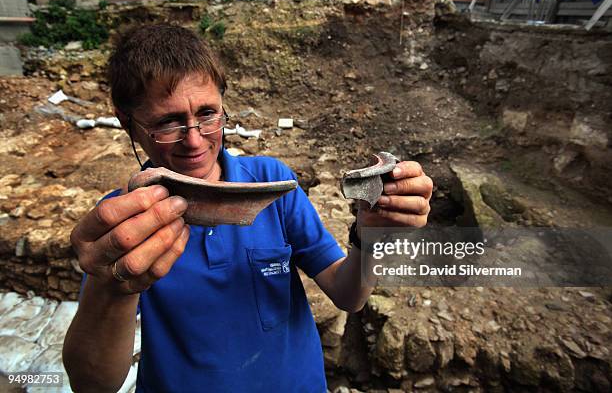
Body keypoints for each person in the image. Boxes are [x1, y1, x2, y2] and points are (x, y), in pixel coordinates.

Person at [63, 24, 433, 392]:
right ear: (127, 122)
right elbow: (93, 384)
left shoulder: (269, 182)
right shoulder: (125, 222)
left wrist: (371, 236)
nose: (194, 140)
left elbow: (348, 294)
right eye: (168, 122)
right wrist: (110, 290)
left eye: (208, 114)